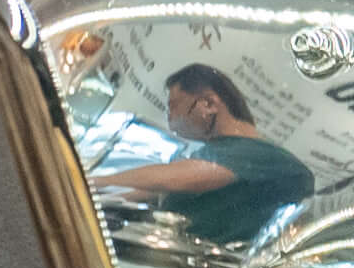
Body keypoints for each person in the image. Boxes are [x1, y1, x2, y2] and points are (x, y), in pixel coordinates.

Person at [100, 64, 320, 249]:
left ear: (209, 104)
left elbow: (183, 177)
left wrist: (99, 181)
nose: (170, 116)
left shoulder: (262, 155)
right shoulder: (217, 153)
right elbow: (155, 189)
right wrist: (102, 197)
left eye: (173, 106)